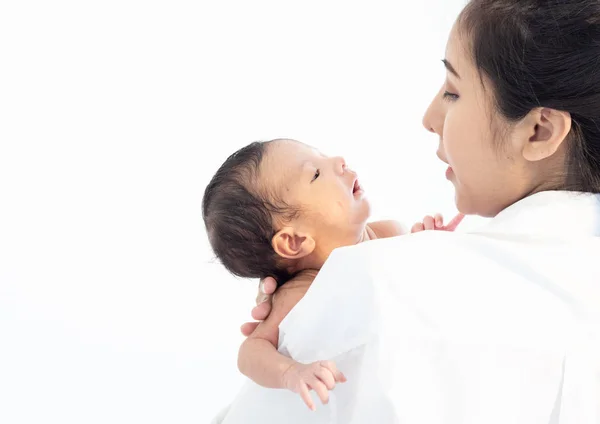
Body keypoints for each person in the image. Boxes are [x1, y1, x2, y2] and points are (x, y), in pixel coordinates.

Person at [233, 0, 600, 422]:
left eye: (453, 91)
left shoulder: (376, 290)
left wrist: (306, 332)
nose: (429, 117)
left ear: (540, 131)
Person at [202, 138, 463, 410]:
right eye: (315, 174)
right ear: (294, 241)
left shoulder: (391, 233)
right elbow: (250, 352)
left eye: (323, 155)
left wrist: (429, 244)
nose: (338, 160)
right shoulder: (303, 291)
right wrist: (290, 372)